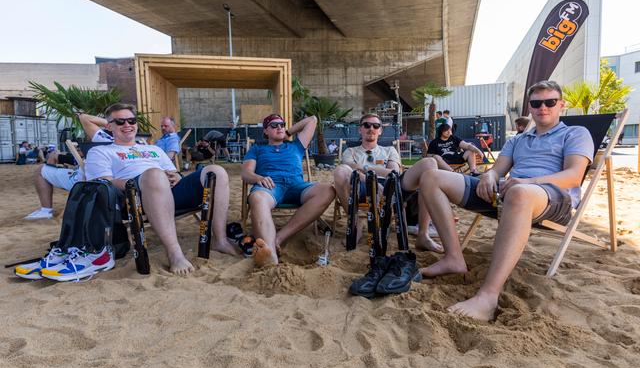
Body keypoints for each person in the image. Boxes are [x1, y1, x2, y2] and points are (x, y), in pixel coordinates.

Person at [419, 80, 593, 321]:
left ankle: (488, 297)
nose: (543, 107)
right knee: (432, 177)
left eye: (550, 102)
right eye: (536, 103)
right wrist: (489, 176)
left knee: (519, 192)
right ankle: (453, 259)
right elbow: (497, 170)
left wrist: (527, 182)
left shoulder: (575, 133)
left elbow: (573, 176)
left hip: (553, 197)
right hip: (509, 194)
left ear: (561, 105)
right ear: (530, 108)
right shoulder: (517, 140)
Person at [84, 103, 236, 276]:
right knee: (154, 174)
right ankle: (174, 253)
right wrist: (141, 180)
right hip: (136, 197)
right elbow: (103, 183)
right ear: (109, 126)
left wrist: (177, 177)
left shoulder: (153, 149)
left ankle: (220, 240)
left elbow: (173, 172)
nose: (127, 125)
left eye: (131, 120)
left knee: (216, 171)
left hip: (169, 191)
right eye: (120, 122)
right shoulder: (100, 151)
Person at [333, 113, 442, 253]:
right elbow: (349, 169)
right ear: (360, 129)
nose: (371, 128)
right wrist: (371, 182)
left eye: (375, 126)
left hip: (392, 185)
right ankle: (355, 224)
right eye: (366, 125)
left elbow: (393, 172)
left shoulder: (389, 150)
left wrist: (365, 168)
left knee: (430, 163)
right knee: (340, 171)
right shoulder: (351, 151)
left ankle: (423, 235)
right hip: (361, 186)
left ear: (380, 130)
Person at [241, 114, 335, 267]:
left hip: (297, 185)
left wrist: (287, 132)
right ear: (265, 131)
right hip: (271, 186)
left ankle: (278, 238)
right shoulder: (257, 149)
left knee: (328, 190)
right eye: (274, 125)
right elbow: (246, 173)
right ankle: (270, 255)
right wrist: (258, 178)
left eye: (282, 124)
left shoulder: (296, 145)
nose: (279, 127)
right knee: (257, 198)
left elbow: (312, 120)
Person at [24, 113, 114, 220]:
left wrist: (115, 123)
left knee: (40, 170)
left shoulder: (107, 139)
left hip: (85, 181)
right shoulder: (129, 145)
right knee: (56, 157)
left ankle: (46, 210)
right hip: (110, 183)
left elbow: (84, 117)